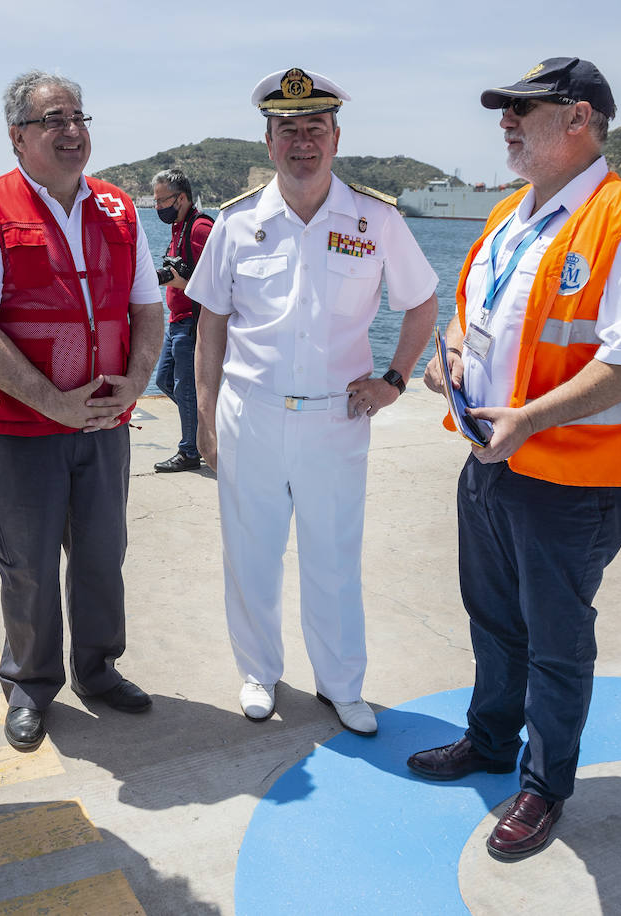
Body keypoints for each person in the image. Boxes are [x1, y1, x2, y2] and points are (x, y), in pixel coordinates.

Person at [406, 58, 621, 861]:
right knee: (493, 621)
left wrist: (528, 419)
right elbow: (470, 316)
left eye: (524, 109)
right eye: (505, 109)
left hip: (572, 479)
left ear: (579, 119)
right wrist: (451, 359)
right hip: (493, 462)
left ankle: (543, 785)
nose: (506, 121)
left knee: (558, 642)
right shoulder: (509, 216)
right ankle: (491, 740)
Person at [186, 67, 437, 735]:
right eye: (288, 130)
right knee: (251, 553)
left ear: (336, 137)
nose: (303, 142)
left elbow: (422, 303)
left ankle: (341, 684)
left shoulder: (374, 217)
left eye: (315, 129)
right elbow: (210, 324)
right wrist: (206, 416)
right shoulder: (237, 224)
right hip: (252, 413)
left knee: (333, 555)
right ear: (267, 142)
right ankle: (258, 673)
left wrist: (396, 377)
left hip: (337, 416)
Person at [0, 70, 163, 753]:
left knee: (102, 555)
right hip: (19, 431)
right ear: (18, 136)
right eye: (54, 120)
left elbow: (148, 308)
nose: (72, 131)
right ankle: (31, 686)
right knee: (29, 564)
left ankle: (98, 671)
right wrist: (51, 403)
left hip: (103, 424)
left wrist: (135, 382)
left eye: (79, 117)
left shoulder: (120, 210)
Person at [150, 167, 213, 472]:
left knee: (186, 388)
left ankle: (190, 451)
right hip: (177, 322)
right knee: (164, 380)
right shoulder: (179, 228)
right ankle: (206, 428)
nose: (159, 207)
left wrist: (181, 284)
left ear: (183, 198)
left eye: (163, 201)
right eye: (156, 202)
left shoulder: (200, 229)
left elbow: (216, 284)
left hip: (193, 322)